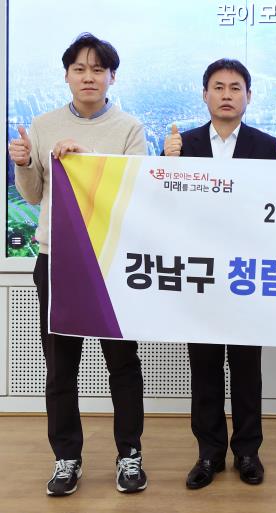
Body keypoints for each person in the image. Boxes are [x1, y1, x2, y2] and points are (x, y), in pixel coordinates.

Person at [7, 33, 147, 496]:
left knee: (122, 363)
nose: (89, 77)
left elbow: (135, 194)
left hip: (110, 261)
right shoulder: (43, 124)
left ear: (112, 77)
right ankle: (67, 458)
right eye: (80, 69)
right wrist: (24, 163)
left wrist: (87, 164)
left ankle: (130, 454)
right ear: (66, 75)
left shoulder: (129, 128)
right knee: (61, 366)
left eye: (98, 69)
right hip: (57, 260)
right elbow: (33, 196)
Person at [163, 58, 276, 490]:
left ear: (248, 96)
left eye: (235, 88)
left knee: (248, 370)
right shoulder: (183, 144)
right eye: (218, 87)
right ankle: (209, 453)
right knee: (205, 369)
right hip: (200, 277)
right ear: (205, 94)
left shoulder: (266, 146)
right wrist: (167, 164)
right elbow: (162, 206)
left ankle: (248, 452)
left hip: (247, 275)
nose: (227, 95)